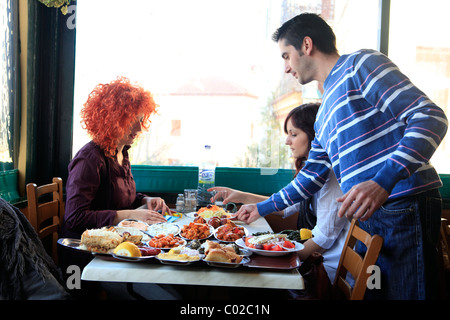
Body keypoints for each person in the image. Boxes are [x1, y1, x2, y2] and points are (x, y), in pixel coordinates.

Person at [235, 13, 448, 300]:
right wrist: (261, 209)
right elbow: (310, 178)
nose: (286, 68)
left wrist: (382, 181)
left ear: (306, 45)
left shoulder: (361, 64)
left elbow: (430, 118)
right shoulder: (324, 111)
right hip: (370, 214)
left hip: (402, 204)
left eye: (286, 55)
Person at [211, 103, 349, 282]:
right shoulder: (311, 172)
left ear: (315, 136)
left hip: (326, 268)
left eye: (294, 134)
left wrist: (283, 259)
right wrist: (241, 195)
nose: (287, 141)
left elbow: (325, 237)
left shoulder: (332, 176)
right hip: (317, 258)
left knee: (245, 276)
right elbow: (287, 207)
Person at [62, 76, 169, 239]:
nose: (139, 128)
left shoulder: (122, 152)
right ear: (113, 120)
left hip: (115, 239)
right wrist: (129, 215)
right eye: (133, 120)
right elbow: (75, 219)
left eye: (141, 120)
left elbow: (116, 200)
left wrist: (144, 201)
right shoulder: (89, 159)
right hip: (86, 249)